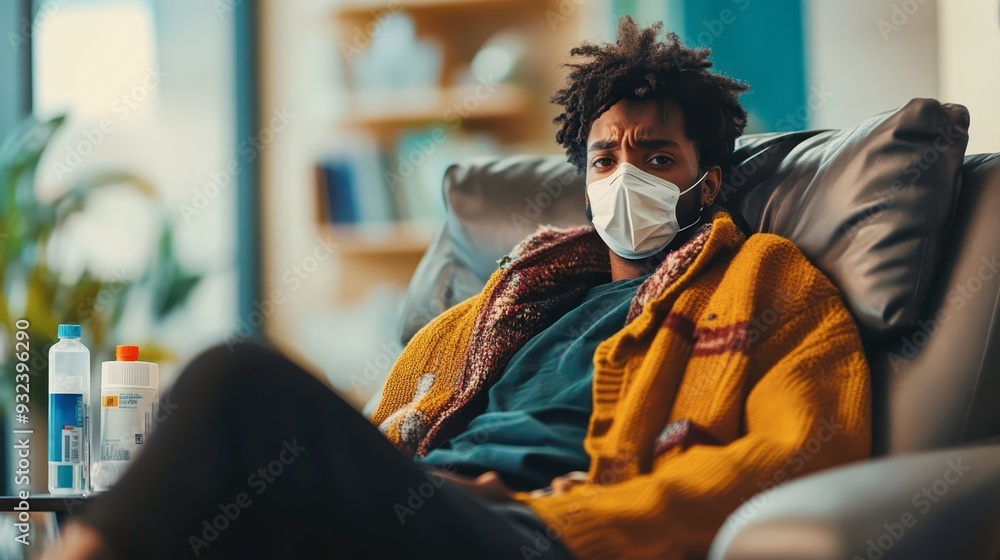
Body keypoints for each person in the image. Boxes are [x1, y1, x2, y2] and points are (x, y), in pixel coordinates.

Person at [45, 16, 871, 560]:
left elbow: (798, 455)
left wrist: (563, 518)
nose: (627, 177)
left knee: (234, 380)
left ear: (707, 181)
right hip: (422, 511)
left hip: (534, 531)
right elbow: (384, 432)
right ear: (585, 182)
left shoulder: (764, 279)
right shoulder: (503, 302)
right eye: (605, 159)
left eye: (658, 158)